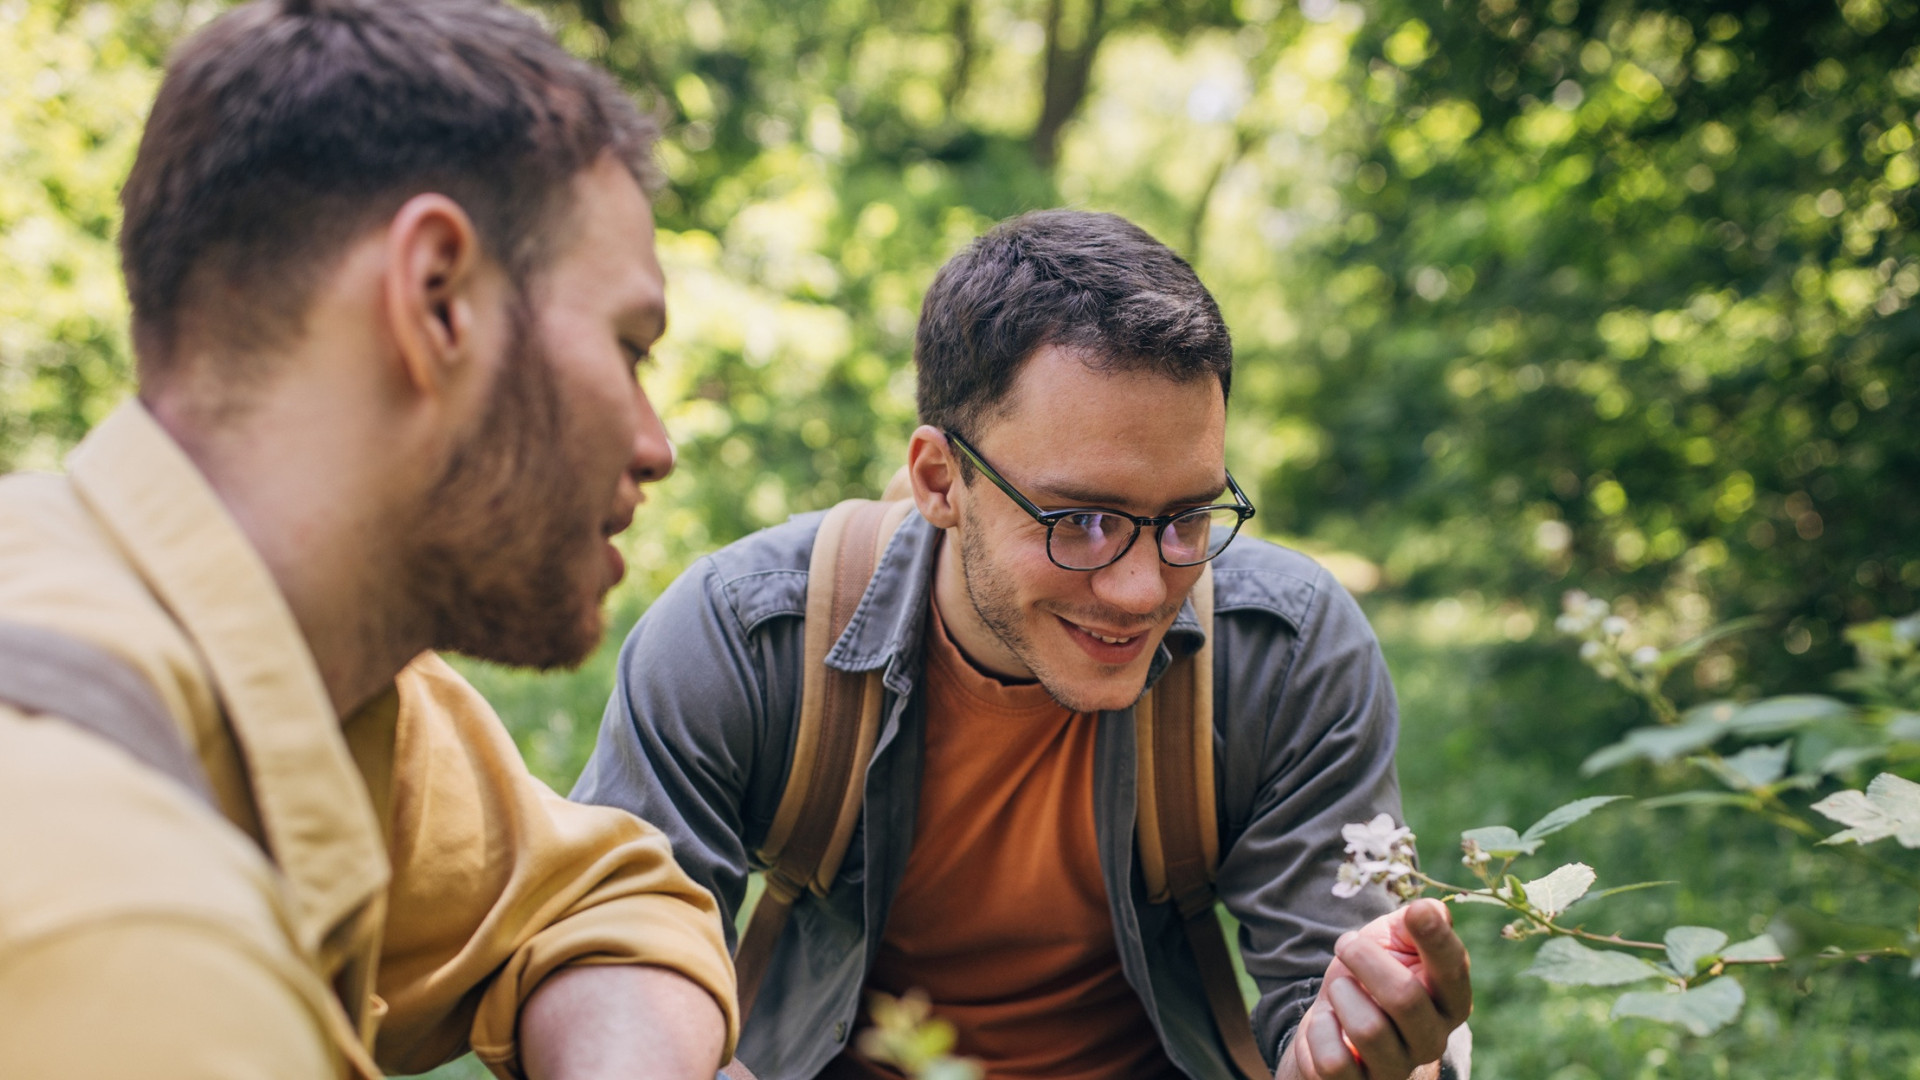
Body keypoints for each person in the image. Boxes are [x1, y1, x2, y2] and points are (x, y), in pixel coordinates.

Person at [0, 1, 739, 1076]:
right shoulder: (122, 928)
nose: (655, 443)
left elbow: (592, 896)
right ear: (438, 299)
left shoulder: (324, 684)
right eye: (630, 348)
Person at [573, 209, 1472, 1080]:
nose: (1141, 586)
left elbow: (1327, 992)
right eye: (1078, 520)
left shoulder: (1288, 654)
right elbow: (611, 956)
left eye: (1187, 518)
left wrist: (1362, 1050)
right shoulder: (743, 637)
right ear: (939, 479)